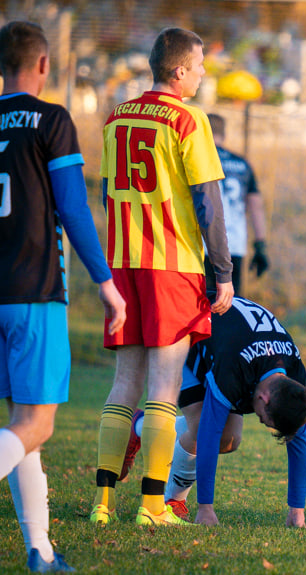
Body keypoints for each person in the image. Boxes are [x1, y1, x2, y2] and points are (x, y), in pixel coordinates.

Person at [90, 27, 234, 528]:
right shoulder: (188, 120)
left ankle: (103, 504)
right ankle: (152, 505)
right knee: (164, 388)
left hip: (123, 264)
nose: (201, 76)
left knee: (123, 382)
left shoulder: (116, 117)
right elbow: (208, 205)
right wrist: (224, 272)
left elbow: (109, 191)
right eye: (198, 67)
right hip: (172, 266)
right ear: (178, 71)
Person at [0, 21, 126, 572]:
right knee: (38, 423)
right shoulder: (50, 119)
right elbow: (73, 208)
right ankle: (41, 550)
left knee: (21, 424)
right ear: (45, 64)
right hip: (31, 288)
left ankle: (41, 550)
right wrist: (105, 281)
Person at [123, 296, 306, 527]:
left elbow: (299, 440)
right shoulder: (235, 370)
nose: (263, 423)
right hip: (188, 335)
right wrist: (205, 508)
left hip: (228, 346)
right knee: (200, 427)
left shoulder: (293, 377)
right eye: (266, 421)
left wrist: (297, 510)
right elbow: (208, 434)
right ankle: (174, 501)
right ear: (263, 398)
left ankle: (140, 425)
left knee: (230, 440)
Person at [203, 113, 268, 296]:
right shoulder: (242, 164)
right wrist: (260, 245)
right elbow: (255, 205)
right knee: (230, 305)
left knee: (200, 309)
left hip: (201, 244)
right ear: (224, 134)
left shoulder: (196, 160)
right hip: (234, 245)